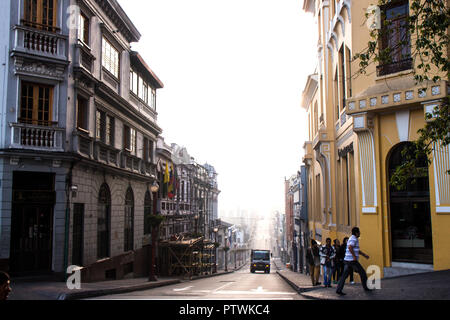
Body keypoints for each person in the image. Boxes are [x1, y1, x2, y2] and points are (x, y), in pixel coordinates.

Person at [336, 227, 372, 296]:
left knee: (344, 276)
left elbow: (356, 250)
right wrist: (354, 256)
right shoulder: (353, 239)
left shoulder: (352, 238)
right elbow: (350, 247)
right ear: (356, 233)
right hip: (352, 261)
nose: (360, 233)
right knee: (363, 273)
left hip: (347, 260)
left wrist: (364, 255)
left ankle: (339, 290)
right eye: (359, 232)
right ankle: (366, 287)